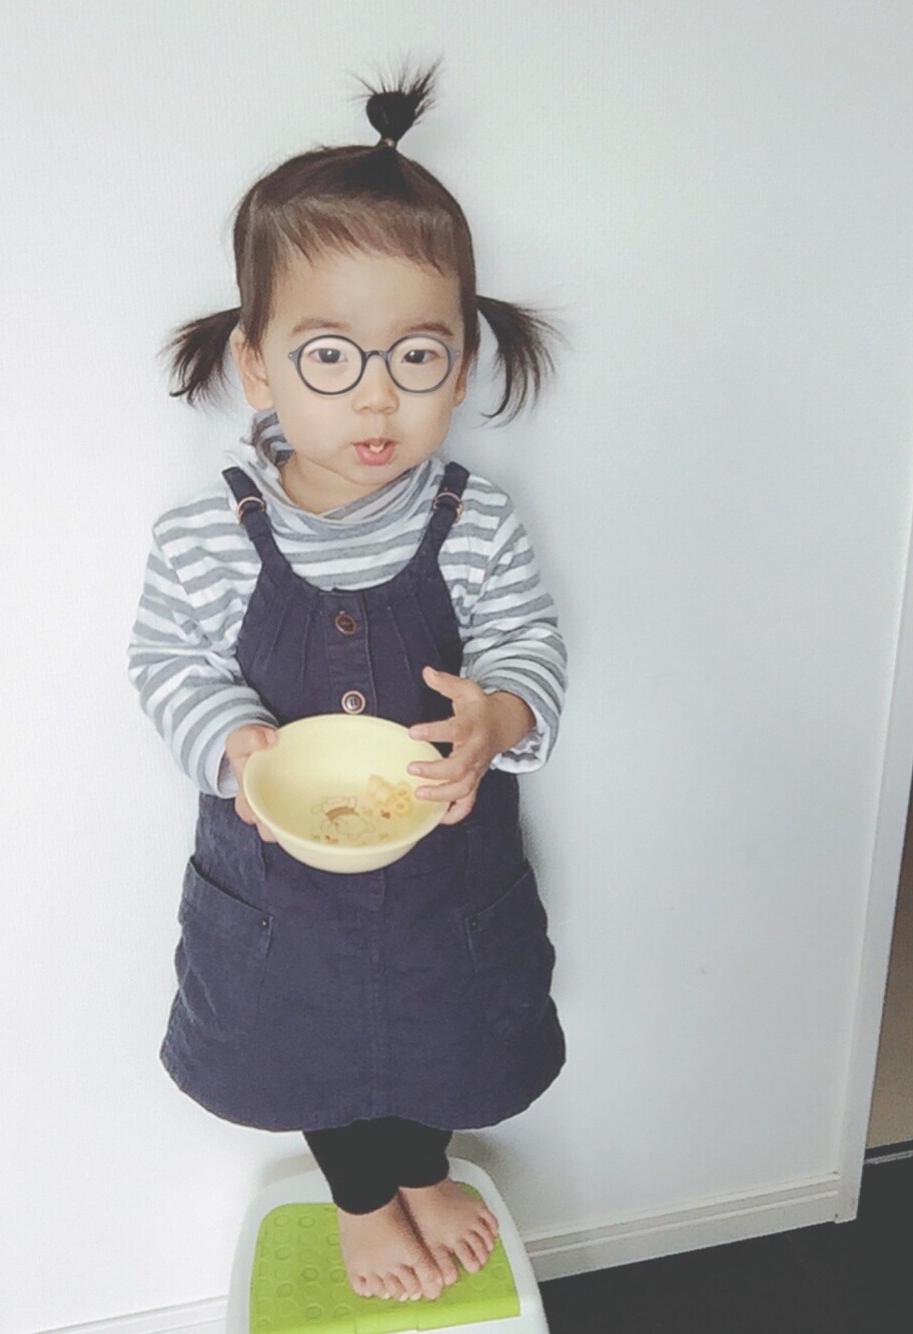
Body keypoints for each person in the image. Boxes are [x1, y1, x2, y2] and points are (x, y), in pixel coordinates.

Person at [127, 59, 568, 1306]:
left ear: (461, 365)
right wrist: (235, 739)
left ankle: (424, 1162)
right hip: (281, 881)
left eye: (416, 356)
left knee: (443, 1021)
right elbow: (164, 659)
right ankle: (364, 1194)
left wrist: (498, 713)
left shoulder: (477, 522)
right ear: (258, 365)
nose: (377, 395)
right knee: (309, 1032)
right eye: (330, 356)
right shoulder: (207, 532)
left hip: (442, 873)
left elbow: (529, 639)